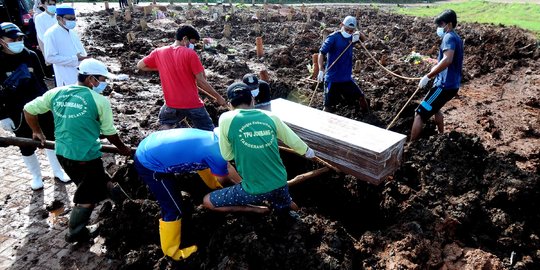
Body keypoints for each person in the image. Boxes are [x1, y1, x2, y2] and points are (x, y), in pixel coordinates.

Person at [23, 58, 132, 243]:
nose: (104, 83)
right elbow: (109, 132)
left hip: (63, 152)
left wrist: (36, 130)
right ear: (91, 79)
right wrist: (123, 148)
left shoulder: (57, 92)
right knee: (86, 197)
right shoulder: (99, 101)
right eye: (102, 79)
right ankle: (75, 233)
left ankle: (128, 205)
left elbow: (29, 109)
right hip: (85, 156)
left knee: (102, 180)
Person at [203, 82, 315, 215]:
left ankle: (256, 210)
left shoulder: (226, 119)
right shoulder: (270, 117)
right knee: (285, 205)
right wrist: (308, 152)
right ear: (252, 100)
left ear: (229, 104)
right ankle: (299, 217)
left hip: (253, 191)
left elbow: (227, 156)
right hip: (280, 183)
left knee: (207, 201)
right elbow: (294, 141)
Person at [134, 128, 241, 261]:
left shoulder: (213, 138)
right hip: (150, 164)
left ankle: (213, 186)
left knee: (204, 165)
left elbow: (203, 164)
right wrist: (239, 195)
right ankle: (171, 253)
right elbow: (225, 180)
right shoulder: (218, 155)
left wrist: (216, 186)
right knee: (173, 208)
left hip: (154, 144)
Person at [0, 22, 70, 190]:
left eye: (20, 38)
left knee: (51, 138)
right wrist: (2, 116)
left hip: (39, 106)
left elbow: (41, 82)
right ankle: (36, 176)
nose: (18, 41)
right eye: (13, 38)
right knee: (25, 143)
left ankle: (57, 170)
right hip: (16, 110)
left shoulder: (31, 55)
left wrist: (49, 102)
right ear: (1, 40)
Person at [137, 25, 227, 131]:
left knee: (166, 125)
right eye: (192, 42)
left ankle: (165, 142)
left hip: (171, 105)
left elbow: (140, 65)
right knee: (209, 131)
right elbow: (201, 81)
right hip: (193, 105)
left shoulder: (159, 52)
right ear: (185, 39)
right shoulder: (190, 54)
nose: (192, 45)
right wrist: (218, 97)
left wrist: (162, 67)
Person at [412, 10, 463, 141]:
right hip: (452, 85)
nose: (439, 27)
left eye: (441, 24)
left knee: (419, 113)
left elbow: (447, 60)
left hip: (443, 87)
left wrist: (428, 76)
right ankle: (441, 138)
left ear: (449, 24)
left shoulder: (449, 37)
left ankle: (410, 146)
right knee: (436, 108)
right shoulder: (457, 38)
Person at [317, 16, 369, 113]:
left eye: (351, 30)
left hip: (346, 78)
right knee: (328, 107)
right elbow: (321, 53)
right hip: (332, 79)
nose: (349, 32)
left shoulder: (352, 37)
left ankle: (368, 117)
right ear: (341, 25)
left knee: (361, 97)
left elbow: (364, 39)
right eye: (347, 29)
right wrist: (321, 69)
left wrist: (358, 34)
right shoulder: (333, 38)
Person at [43, 4, 88, 87]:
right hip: (64, 74)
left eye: (74, 19)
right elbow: (50, 58)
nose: (72, 21)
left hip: (79, 72)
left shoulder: (72, 32)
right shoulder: (51, 34)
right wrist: (74, 58)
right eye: (69, 19)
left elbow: (80, 51)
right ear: (58, 18)